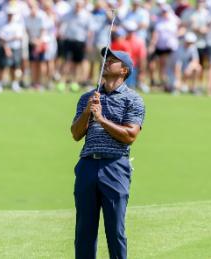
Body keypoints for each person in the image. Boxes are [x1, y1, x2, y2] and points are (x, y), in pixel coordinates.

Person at [70, 48, 145, 259]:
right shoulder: (88, 97)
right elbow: (76, 134)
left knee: (115, 231)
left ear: (124, 70)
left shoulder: (133, 100)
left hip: (115, 167)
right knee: (84, 231)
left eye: (111, 60)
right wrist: (87, 112)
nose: (105, 62)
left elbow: (130, 135)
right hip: (87, 166)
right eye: (105, 58)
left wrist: (101, 119)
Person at [0, 5, 23, 93]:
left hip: (16, 48)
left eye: (12, 15)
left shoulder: (18, 25)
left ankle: (14, 84)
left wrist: (9, 38)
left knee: (15, 67)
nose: (10, 16)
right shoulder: (4, 25)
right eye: (9, 15)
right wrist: (7, 48)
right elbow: (1, 38)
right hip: (5, 48)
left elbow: (19, 37)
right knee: (2, 66)